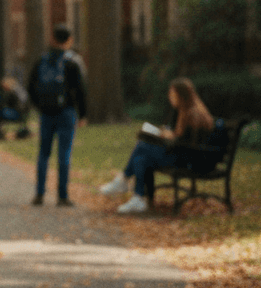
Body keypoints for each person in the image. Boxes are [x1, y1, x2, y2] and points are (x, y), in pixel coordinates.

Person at [101, 77, 216, 213]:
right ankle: (137, 197)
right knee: (141, 158)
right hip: (185, 156)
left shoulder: (191, 114)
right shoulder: (189, 111)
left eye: (172, 94)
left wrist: (169, 136)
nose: (170, 97)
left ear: (181, 95)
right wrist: (169, 134)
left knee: (142, 147)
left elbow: (182, 143)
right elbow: (182, 139)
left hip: (187, 161)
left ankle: (125, 182)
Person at [27, 24, 87, 206]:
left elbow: (31, 86)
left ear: (52, 39)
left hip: (46, 113)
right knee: (64, 153)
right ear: (69, 40)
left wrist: (39, 106)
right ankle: (62, 195)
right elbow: (81, 90)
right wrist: (82, 114)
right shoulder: (73, 61)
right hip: (66, 112)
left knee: (43, 154)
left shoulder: (42, 59)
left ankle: (39, 194)